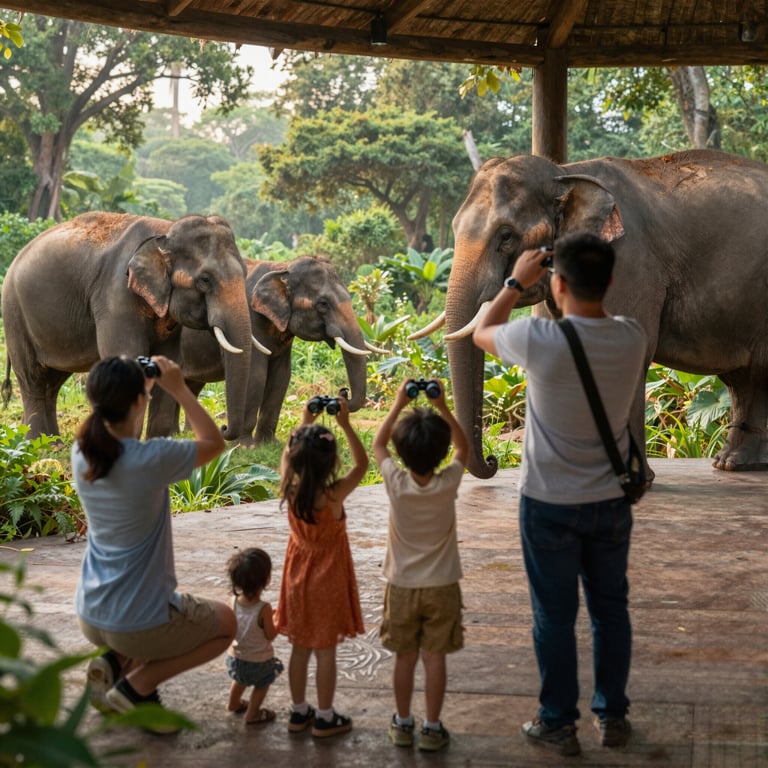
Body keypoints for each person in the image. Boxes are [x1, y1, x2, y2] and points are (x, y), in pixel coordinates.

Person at [472, 232, 647, 757]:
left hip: (548, 504)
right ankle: (613, 716)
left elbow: (482, 331)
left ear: (558, 283)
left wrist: (513, 282)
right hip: (611, 502)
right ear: (611, 280)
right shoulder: (632, 336)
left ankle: (558, 723)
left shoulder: (537, 338)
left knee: (554, 616)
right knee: (610, 609)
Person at [72, 355, 237, 733]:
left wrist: (139, 388)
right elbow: (213, 442)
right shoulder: (151, 459)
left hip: (91, 612)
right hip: (135, 624)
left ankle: (113, 662)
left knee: (136, 622)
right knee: (226, 624)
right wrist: (178, 388)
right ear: (137, 402)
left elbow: (118, 429)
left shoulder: (82, 450)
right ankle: (137, 687)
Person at [372, 378, 468, 752]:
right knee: (434, 658)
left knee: (405, 658)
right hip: (442, 586)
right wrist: (443, 407)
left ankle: (402, 723)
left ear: (403, 452)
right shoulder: (448, 482)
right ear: (441, 452)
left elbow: (378, 445)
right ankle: (431, 728)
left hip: (402, 586)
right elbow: (464, 446)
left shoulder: (396, 482)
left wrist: (398, 403)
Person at [274, 396, 368, 739]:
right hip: (328, 581)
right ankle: (326, 717)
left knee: (300, 648)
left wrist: (303, 421)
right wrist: (344, 423)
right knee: (325, 651)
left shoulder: (290, 487)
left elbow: (287, 454)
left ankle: (299, 713)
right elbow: (362, 464)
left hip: (297, 580)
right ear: (332, 464)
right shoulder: (334, 495)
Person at [225, 547, 284, 725]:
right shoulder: (264, 608)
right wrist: (277, 621)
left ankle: (233, 704)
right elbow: (270, 635)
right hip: (258, 661)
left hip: (235, 658)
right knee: (262, 684)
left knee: (239, 679)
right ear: (266, 580)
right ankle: (253, 713)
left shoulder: (232, 602)